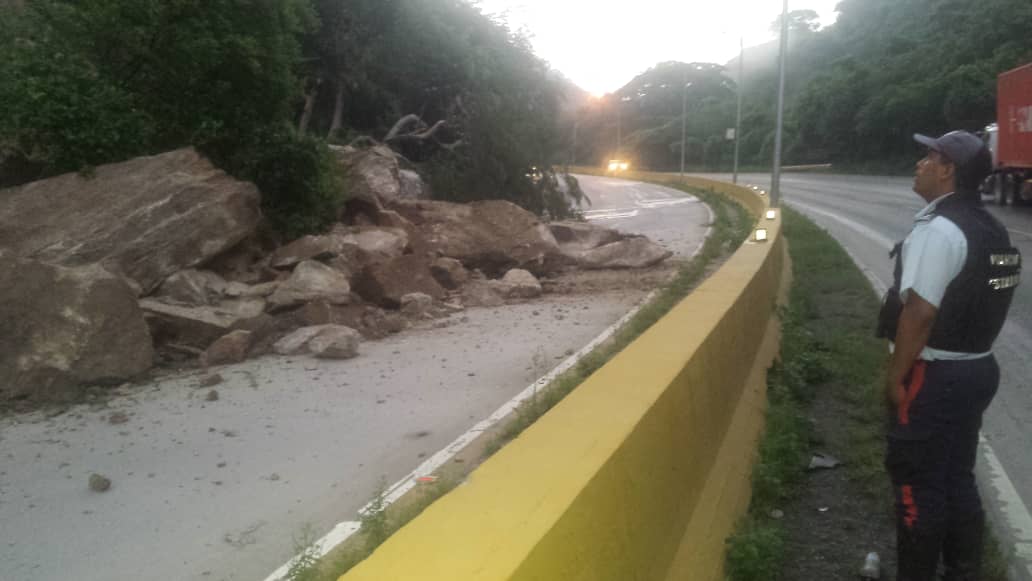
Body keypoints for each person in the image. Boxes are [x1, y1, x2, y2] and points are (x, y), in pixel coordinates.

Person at [876, 130, 1022, 581]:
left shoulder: (939, 230)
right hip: (977, 368)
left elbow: (918, 313)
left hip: (934, 374)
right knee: (957, 477)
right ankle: (963, 571)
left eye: (929, 156)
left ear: (948, 169)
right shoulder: (990, 226)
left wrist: (896, 377)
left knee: (918, 483)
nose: (920, 163)